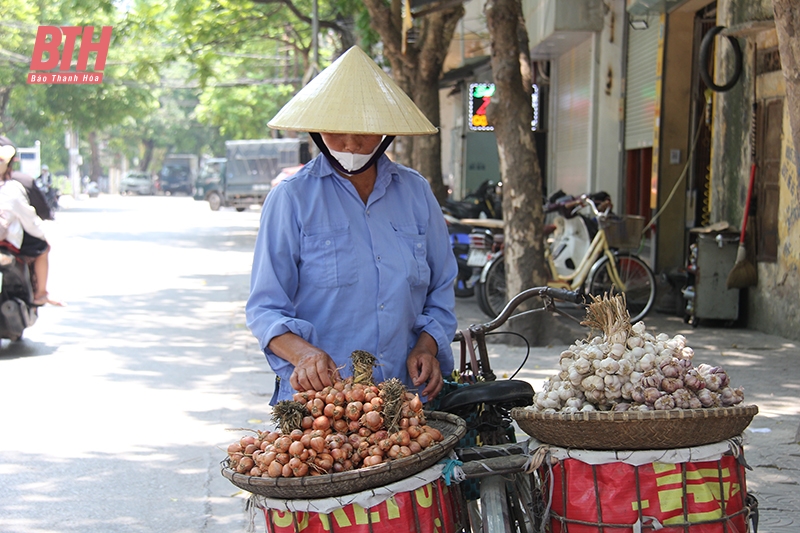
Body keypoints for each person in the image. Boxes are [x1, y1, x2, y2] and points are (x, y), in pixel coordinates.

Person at [245, 46, 458, 405]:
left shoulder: (416, 193)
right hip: (322, 402)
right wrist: (303, 355)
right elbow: (265, 309)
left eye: (363, 132)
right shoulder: (292, 199)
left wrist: (427, 347)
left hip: (407, 398)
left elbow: (441, 291)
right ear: (316, 131)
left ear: (386, 132)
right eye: (335, 132)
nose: (349, 144)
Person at [0, 138, 63, 307]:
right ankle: (41, 293)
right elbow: (31, 221)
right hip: (8, 242)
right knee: (42, 247)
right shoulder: (12, 188)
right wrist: (45, 234)